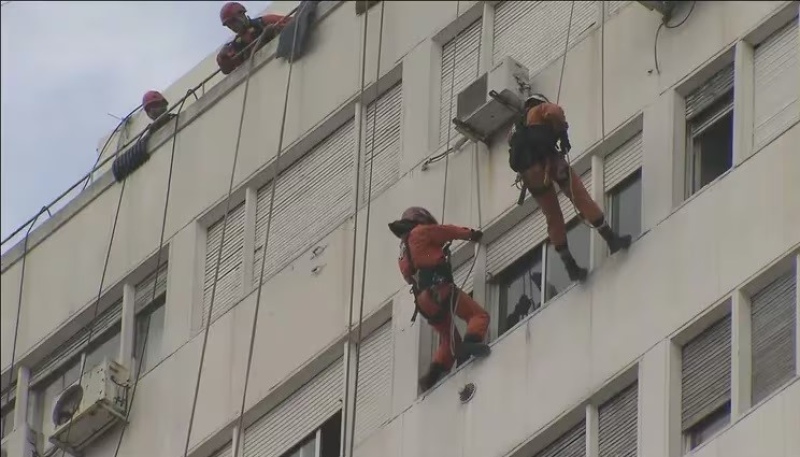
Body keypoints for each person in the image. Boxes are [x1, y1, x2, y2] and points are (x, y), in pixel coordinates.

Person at [508, 93, 631, 282]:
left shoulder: (517, 128)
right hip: (551, 163)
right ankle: (611, 239)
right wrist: (562, 131)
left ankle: (570, 266)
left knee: (553, 217)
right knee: (580, 197)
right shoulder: (539, 110)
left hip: (532, 176)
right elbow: (556, 111)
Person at [388, 207, 491, 392]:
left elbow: (411, 273)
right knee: (478, 316)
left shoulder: (402, 252)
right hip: (439, 289)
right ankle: (471, 344)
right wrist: (471, 234)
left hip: (423, 302)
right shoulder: (422, 232)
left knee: (448, 340)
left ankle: (433, 375)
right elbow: (448, 231)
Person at [216, 2, 289, 75]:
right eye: (229, 25)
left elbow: (292, 23)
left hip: (280, 63)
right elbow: (227, 69)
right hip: (260, 75)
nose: (232, 27)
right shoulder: (235, 46)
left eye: (233, 21)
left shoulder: (263, 22)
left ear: (242, 15)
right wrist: (222, 57)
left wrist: (276, 30)